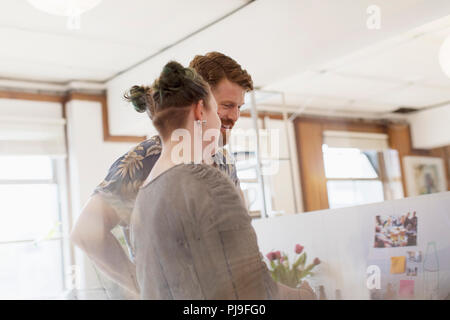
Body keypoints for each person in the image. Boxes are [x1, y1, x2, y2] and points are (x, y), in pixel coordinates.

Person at [70, 52, 253, 296]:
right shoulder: (148, 158)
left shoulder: (226, 164)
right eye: (227, 105)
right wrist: (141, 286)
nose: (234, 116)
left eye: (239, 107)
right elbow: (86, 232)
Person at [129, 61, 314, 299]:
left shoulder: (145, 194)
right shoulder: (209, 185)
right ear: (199, 110)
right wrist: (306, 296)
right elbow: (257, 290)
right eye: (218, 108)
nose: (231, 119)